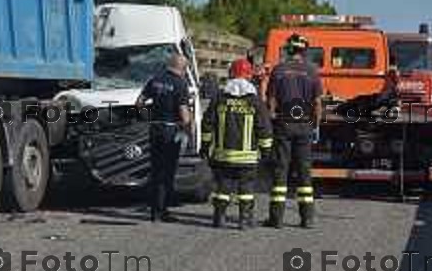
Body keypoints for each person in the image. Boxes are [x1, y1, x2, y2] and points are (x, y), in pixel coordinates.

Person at [201, 58, 273, 229]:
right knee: (246, 190)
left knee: (223, 188)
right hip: (247, 159)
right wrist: (267, 151)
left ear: (231, 74)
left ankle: (219, 218)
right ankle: (244, 220)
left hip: (223, 155)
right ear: (249, 76)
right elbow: (264, 128)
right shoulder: (254, 101)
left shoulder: (220, 98)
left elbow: (207, 123)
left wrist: (205, 147)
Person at [266, 33, 323, 228]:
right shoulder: (312, 71)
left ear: (288, 50)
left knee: (280, 170)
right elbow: (317, 103)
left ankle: (276, 219)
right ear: (304, 50)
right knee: (304, 172)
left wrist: (273, 119)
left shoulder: (278, 70)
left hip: (283, 124)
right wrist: (316, 125)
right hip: (305, 125)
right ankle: (307, 218)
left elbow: (271, 100)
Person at [138, 53, 192, 222]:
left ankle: (154, 209)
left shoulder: (154, 79)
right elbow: (184, 114)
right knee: (167, 171)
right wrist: (188, 127)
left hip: (155, 128)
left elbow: (139, 102)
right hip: (171, 130)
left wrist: (147, 117)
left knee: (155, 168)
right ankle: (161, 210)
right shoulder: (181, 84)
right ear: (182, 68)